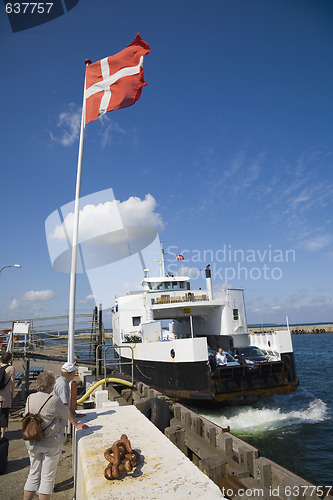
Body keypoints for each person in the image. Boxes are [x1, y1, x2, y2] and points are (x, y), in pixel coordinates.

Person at [23, 371, 71, 500]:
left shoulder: (30, 398)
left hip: (32, 440)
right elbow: (65, 415)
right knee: (47, 478)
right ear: (51, 387)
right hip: (50, 442)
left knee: (33, 474)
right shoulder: (53, 400)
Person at [52, 362, 86, 428]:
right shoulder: (62, 385)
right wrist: (76, 424)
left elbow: (67, 401)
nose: (75, 374)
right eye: (74, 372)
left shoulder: (63, 381)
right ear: (71, 374)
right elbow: (65, 406)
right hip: (54, 418)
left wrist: (74, 414)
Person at [0, 352, 15, 438]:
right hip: (5, 395)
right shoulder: (11, 369)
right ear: (9, 359)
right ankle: (2, 435)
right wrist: (12, 393)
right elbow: (12, 382)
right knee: (4, 415)